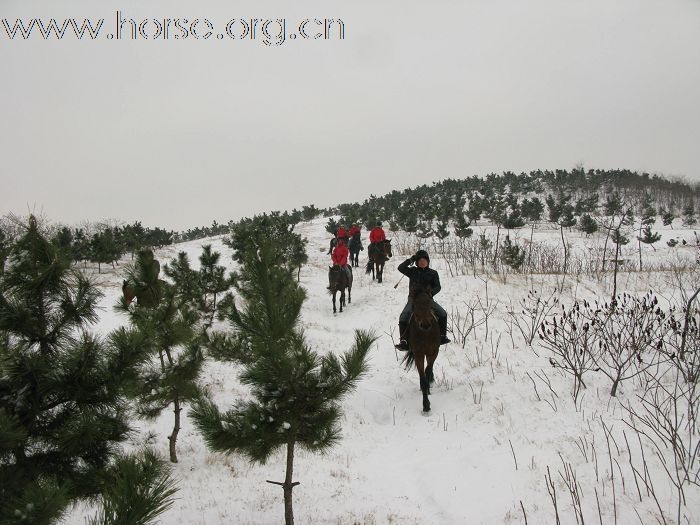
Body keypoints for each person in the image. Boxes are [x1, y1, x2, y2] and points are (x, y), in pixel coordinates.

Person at [396, 249, 450, 350]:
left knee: (443, 313)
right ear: (416, 262)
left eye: (424, 259)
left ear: (428, 261)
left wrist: (430, 293)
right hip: (413, 299)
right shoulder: (412, 271)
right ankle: (404, 341)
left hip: (427, 300)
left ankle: (442, 336)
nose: (422, 261)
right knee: (403, 316)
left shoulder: (433, 273)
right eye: (419, 260)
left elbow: (438, 287)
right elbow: (400, 268)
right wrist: (411, 259)